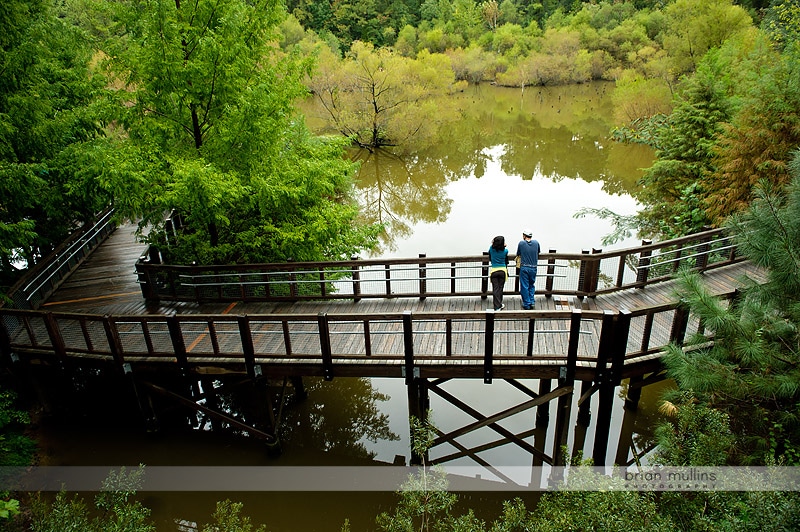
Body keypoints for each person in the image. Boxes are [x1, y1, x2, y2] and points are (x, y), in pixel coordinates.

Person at [516, 230, 540, 309]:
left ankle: (526, 304)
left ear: (524, 236)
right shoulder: (536, 243)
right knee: (531, 285)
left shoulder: (521, 243)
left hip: (524, 267)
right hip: (533, 267)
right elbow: (538, 252)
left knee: (524, 286)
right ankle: (532, 301)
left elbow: (518, 253)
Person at [488, 235, 508, 311]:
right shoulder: (505, 251)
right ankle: (499, 304)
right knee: (500, 288)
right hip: (503, 271)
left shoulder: (491, 249)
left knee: (495, 289)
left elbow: (490, 254)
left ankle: (497, 306)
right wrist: (504, 246)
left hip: (494, 271)